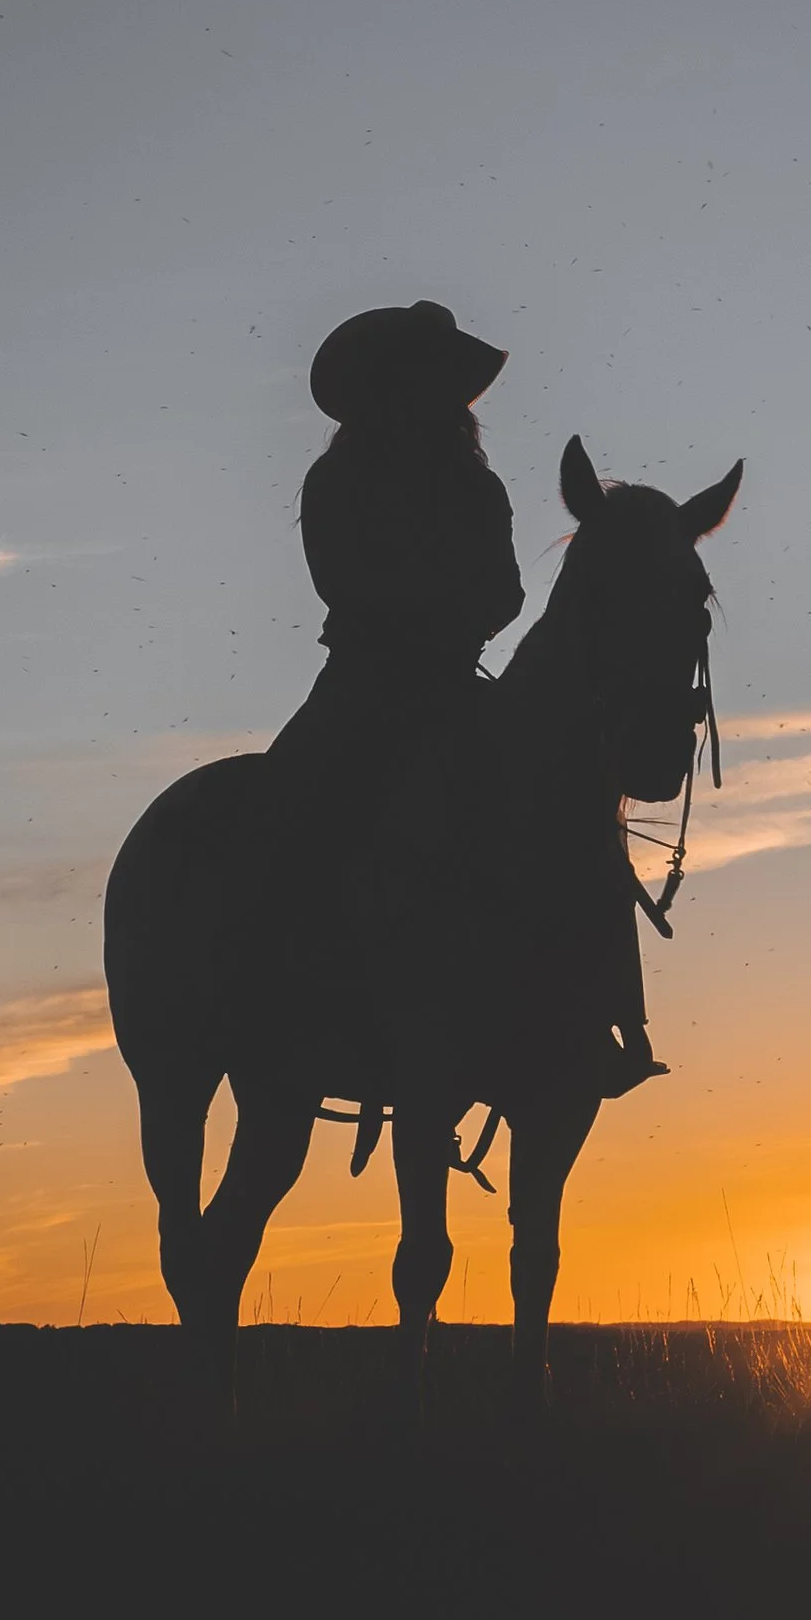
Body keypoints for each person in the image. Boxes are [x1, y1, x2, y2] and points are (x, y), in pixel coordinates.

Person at [268, 298, 660, 1096]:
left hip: (451, 685)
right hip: (363, 684)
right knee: (289, 808)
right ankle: (280, 990)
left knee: (574, 812)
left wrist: (462, 616)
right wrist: (419, 613)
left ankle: (605, 1012)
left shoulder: (476, 488)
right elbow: (337, 575)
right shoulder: (339, 476)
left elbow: (508, 589)